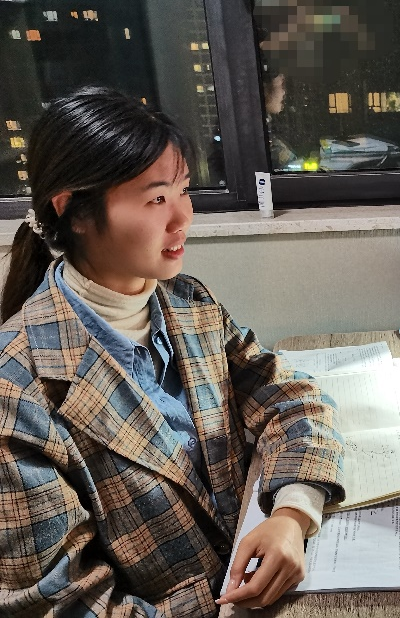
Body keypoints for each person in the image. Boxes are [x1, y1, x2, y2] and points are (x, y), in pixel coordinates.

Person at [0, 86, 345, 616]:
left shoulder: (187, 303)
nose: (183, 217)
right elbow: (64, 603)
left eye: (183, 190)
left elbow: (293, 399)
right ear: (74, 211)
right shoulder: (17, 390)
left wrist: (292, 514)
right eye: (156, 199)